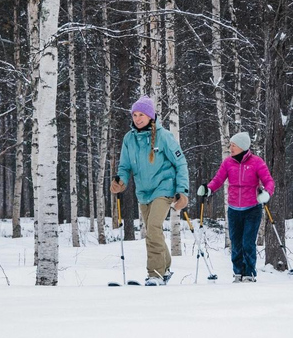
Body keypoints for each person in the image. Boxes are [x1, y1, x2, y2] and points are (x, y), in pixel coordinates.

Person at [111, 95, 190, 286]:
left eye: (141, 115)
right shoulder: (129, 138)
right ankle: (166, 266)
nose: (137, 119)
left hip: (164, 187)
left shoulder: (163, 136)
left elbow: (180, 162)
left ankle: (155, 274)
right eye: (135, 115)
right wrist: (120, 182)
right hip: (144, 191)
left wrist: (183, 191)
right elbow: (125, 166)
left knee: (153, 229)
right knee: (152, 231)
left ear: (150, 116)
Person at [198, 132, 274, 283]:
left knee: (248, 242)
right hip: (234, 209)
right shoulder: (228, 163)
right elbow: (218, 179)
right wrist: (208, 189)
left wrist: (267, 193)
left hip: (252, 208)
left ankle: (249, 273)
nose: (230, 148)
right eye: (230, 145)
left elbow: (268, 180)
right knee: (236, 242)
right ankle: (238, 273)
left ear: (243, 146)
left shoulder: (257, 162)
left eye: (234, 145)